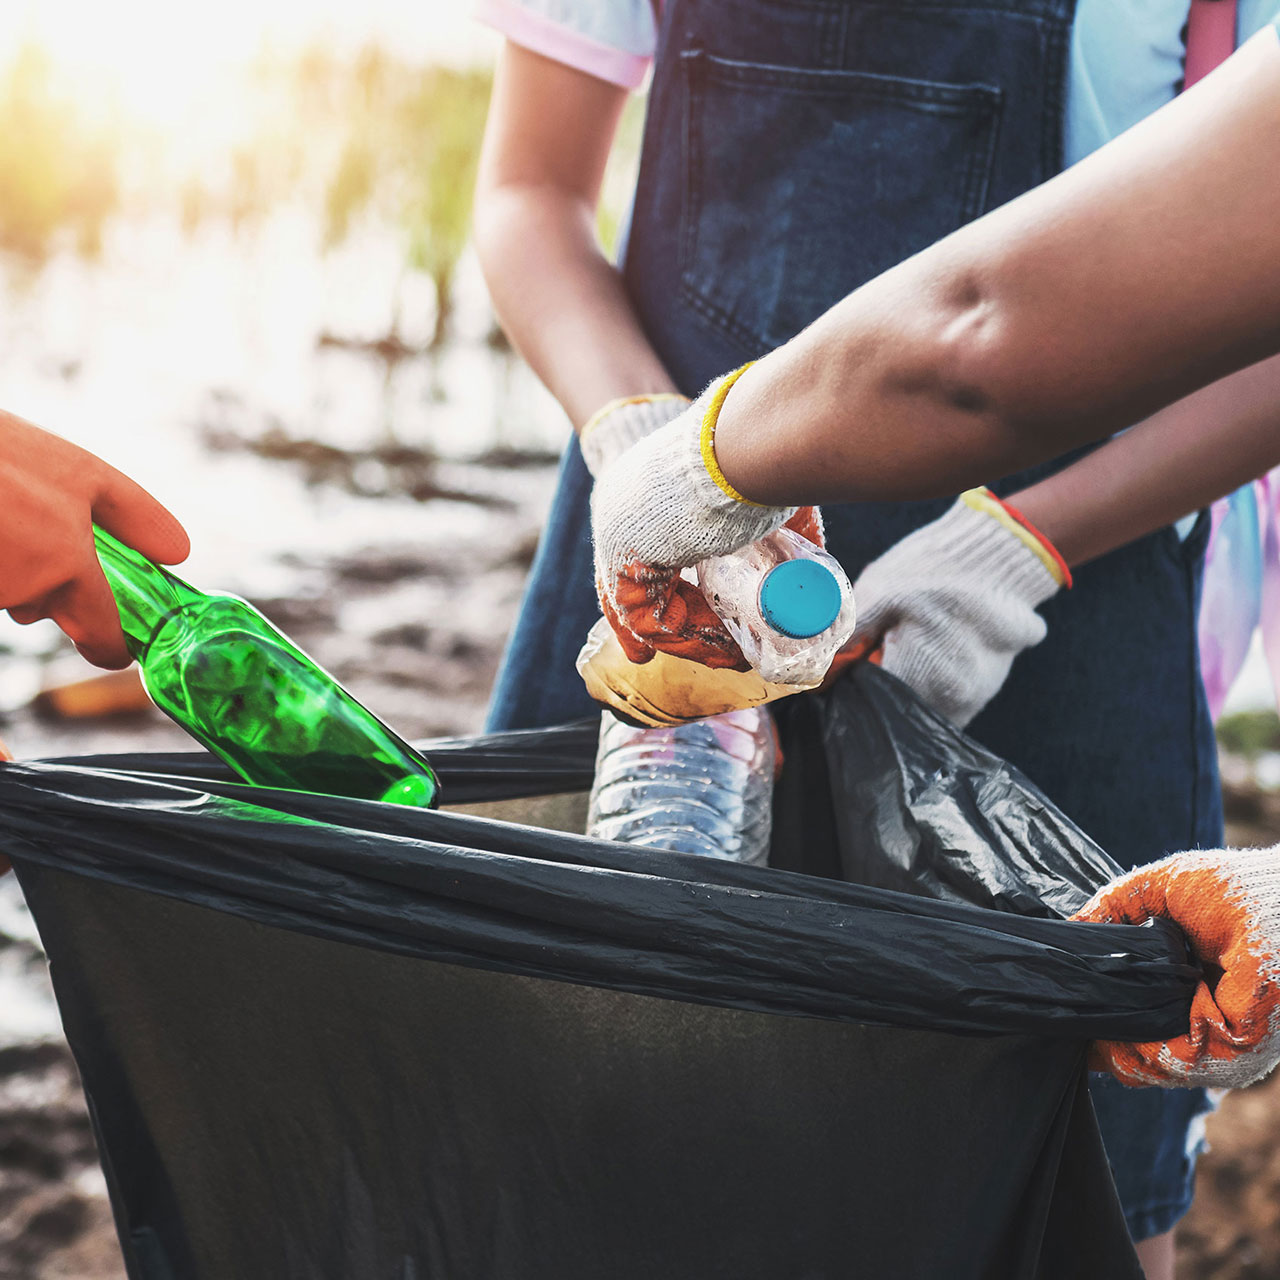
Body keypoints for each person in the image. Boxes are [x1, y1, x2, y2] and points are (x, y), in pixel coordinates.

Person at [475, 3, 1280, 1272]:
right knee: (574, 1134)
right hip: (667, 604)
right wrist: (636, 435)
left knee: (1055, 1195)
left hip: (1067, 617)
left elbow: (1076, 323)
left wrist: (1019, 546)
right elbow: (526, 190)